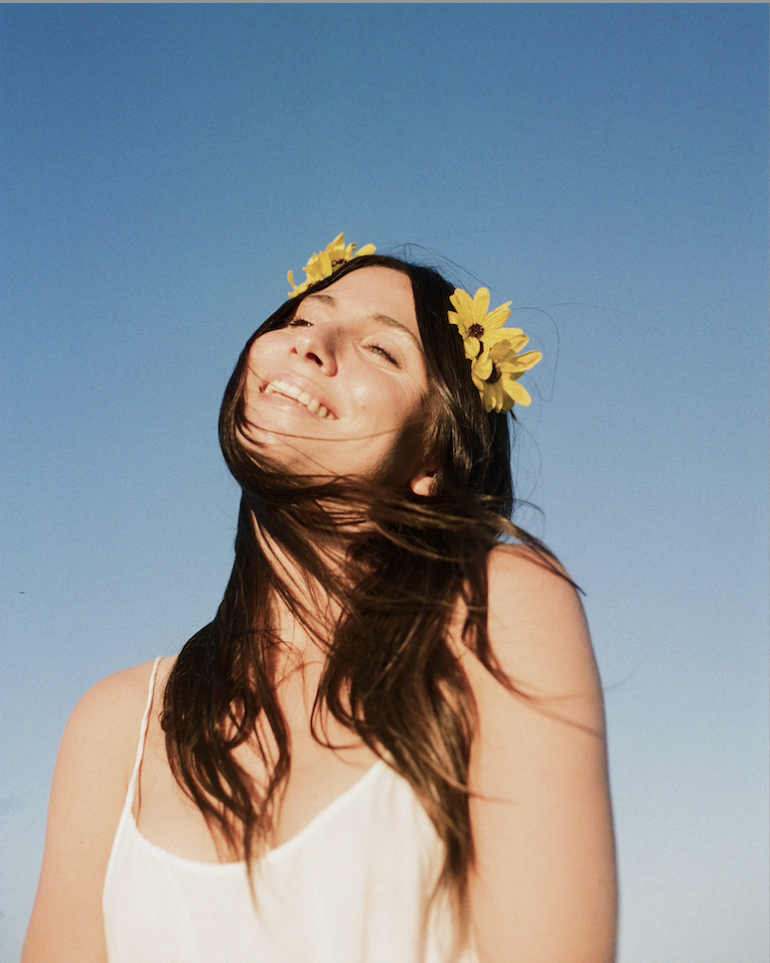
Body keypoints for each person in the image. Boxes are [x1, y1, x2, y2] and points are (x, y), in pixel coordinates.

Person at [22, 235, 617, 963]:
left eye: (382, 350)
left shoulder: (492, 610)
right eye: (303, 319)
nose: (311, 344)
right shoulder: (116, 727)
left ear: (433, 456)